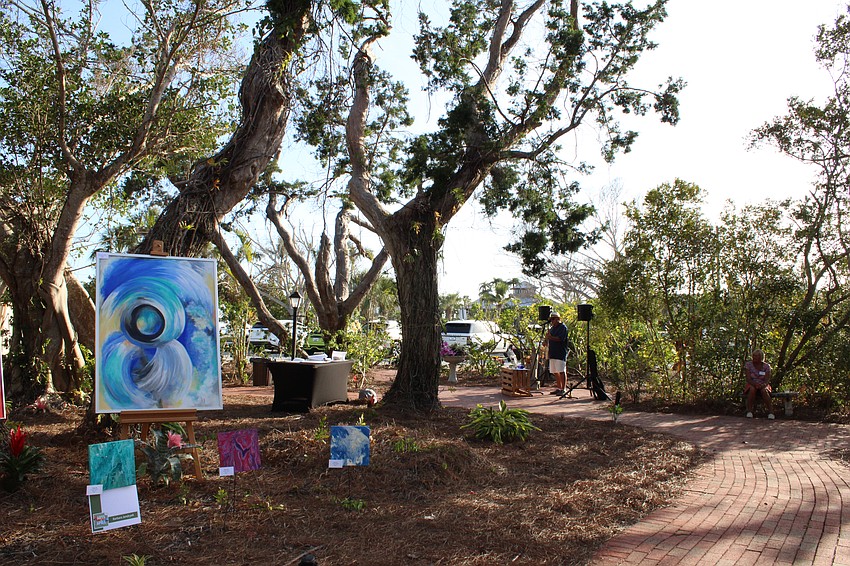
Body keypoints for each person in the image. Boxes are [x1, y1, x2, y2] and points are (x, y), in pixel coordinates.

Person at [744, 349, 775, 420]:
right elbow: (748, 379)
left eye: (757, 356)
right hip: (752, 383)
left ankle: (771, 412)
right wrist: (755, 384)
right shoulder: (748, 365)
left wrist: (763, 385)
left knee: (764, 391)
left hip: (763, 384)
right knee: (752, 389)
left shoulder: (767, 366)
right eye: (754, 356)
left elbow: (767, 379)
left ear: (761, 357)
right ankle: (749, 411)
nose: (754, 358)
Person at [546, 312, 570, 395]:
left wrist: (550, 337)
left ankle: (563, 389)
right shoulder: (552, 328)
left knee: (561, 370)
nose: (552, 321)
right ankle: (559, 388)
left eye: (553, 319)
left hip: (560, 352)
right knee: (555, 371)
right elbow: (550, 338)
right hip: (553, 352)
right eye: (551, 319)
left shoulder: (563, 328)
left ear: (557, 319)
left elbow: (560, 339)